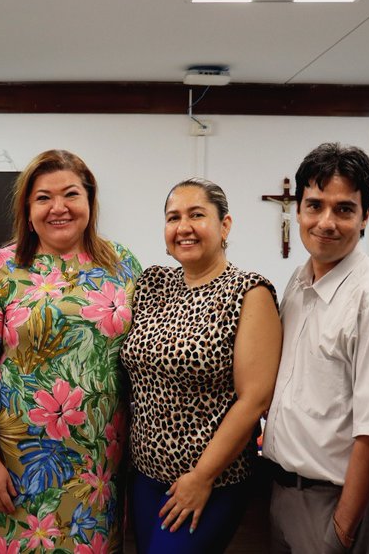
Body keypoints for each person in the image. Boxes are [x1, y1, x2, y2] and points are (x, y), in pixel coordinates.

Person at [0, 149, 141, 554]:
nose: (59, 208)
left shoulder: (123, 264)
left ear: (90, 200)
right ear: (28, 208)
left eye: (71, 194)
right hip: (14, 467)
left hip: (97, 469)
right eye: (43, 197)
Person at [119, 178, 281, 553]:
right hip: (145, 476)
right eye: (173, 217)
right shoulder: (152, 283)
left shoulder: (249, 291)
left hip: (210, 480)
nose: (184, 227)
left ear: (225, 225)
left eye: (196, 215)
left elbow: (255, 399)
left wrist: (202, 477)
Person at [262, 143, 369, 553]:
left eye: (344, 209)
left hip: (335, 503)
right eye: (315, 206)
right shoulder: (298, 281)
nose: (326, 222)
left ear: (365, 217)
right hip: (282, 490)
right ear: (298, 210)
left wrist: (343, 530)